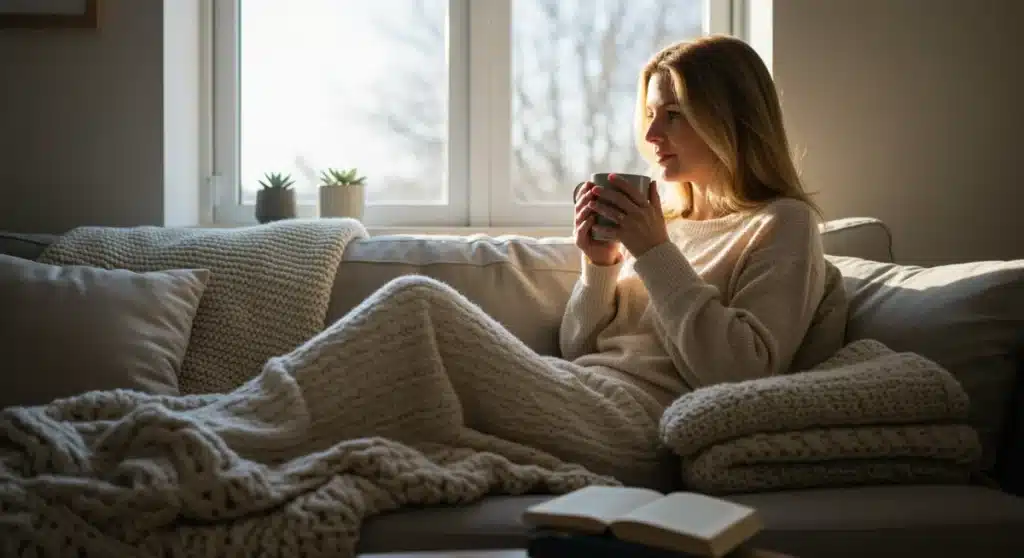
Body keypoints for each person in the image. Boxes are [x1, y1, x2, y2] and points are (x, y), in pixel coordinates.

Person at [301, 35, 845, 490]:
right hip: (581, 390)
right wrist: (601, 265)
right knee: (403, 369)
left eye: (674, 116)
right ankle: (249, 427)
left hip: (639, 429)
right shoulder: (667, 223)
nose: (652, 136)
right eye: (651, 115)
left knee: (416, 304)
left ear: (730, 119)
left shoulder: (781, 224)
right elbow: (580, 347)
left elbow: (741, 373)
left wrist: (655, 254)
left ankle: (238, 428)